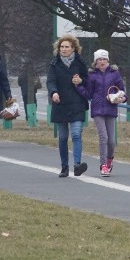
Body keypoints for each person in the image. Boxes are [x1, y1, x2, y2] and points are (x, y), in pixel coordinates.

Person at [76, 49, 127, 177]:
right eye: (99, 60)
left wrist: (122, 97)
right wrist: (78, 87)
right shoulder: (92, 75)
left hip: (111, 108)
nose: (102, 62)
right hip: (97, 109)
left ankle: (109, 160)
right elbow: (88, 93)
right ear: (96, 62)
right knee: (103, 137)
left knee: (111, 141)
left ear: (108, 61)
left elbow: (122, 90)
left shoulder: (115, 73)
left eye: (104, 59)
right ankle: (103, 165)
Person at [46, 34, 89, 178]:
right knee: (63, 137)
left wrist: (81, 80)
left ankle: (77, 165)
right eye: (62, 47)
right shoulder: (54, 64)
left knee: (76, 134)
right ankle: (64, 166)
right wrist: (53, 93)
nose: (64, 49)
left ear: (73, 49)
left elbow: (88, 80)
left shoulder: (80, 63)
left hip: (76, 102)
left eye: (67, 47)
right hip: (60, 103)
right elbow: (50, 81)